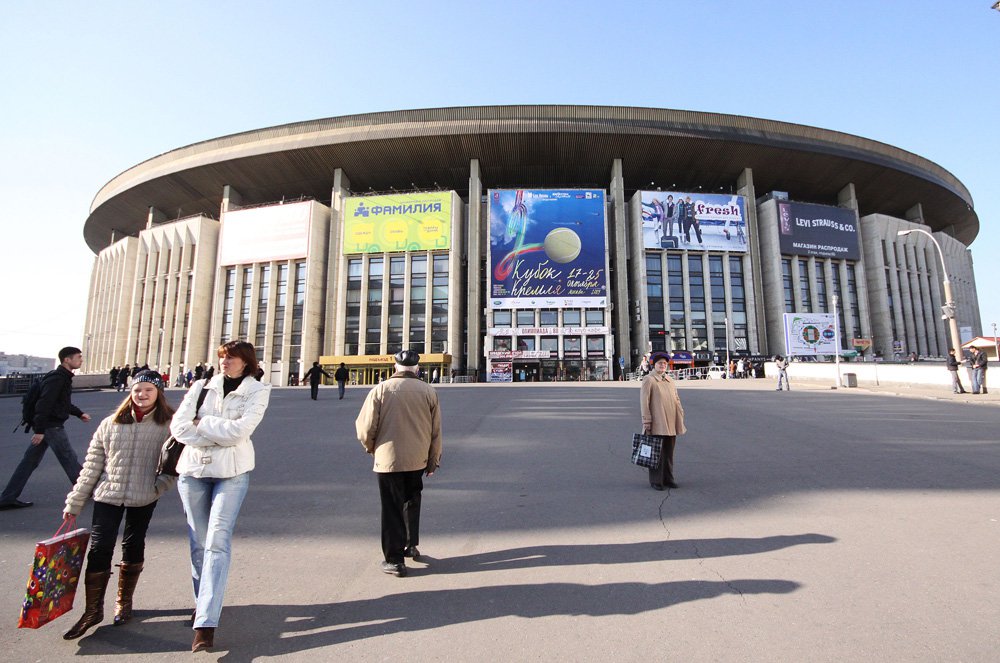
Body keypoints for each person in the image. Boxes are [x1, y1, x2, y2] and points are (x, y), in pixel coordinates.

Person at [170, 341, 271, 652]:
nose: (225, 362)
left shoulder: (258, 390)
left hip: (232, 473)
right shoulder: (201, 386)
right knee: (198, 542)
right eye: (223, 357)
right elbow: (178, 427)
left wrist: (203, 424)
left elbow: (240, 432)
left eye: (232, 358)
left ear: (246, 362)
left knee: (216, 541)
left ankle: (205, 623)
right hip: (192, 473)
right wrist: (215, 430)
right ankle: (204, 603)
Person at [61, 370, 176, 640]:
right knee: (99, 549)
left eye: (149, 389)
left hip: (143, 496)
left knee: (133, 545)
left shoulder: (169, 425)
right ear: (130, 392)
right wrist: (74, 503)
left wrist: (157, 488)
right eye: (137, 390)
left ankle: (124, 602)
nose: (142, 394)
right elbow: (91, 467)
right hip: (107, 495)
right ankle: (92, 610)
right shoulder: (110, 423)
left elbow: (174, 467)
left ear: (159, 393)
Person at [355, 349, 442, 578]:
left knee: (392, 508)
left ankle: (394, 560)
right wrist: (432, 462)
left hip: (388, 460)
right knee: (411, 502)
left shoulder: (380, 390)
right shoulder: (428, 391)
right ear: (417, 369)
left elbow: (365, 429)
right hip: (417, 459)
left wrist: (372, 447)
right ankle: (411, 544)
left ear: (395, 367)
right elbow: (436, 432)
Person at [0, 347, 92, 510]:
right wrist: (40, 430)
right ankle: (86, 491)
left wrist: (79, 413)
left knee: (29, 462)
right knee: (68, 458)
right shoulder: (58, 378)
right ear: (67, 360)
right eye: (78, 357)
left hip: (48, 426)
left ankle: (7, 497)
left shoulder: (62, 377)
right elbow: (44, 403)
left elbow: (61, 403)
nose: (81, 360)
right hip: (51, 426)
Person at [639, 351, 686, 491]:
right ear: (654, 365)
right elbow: (644, 401)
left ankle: (668, 478)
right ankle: (656, 481)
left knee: (669, 453)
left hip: (671, 421)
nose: (663, 366)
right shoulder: (649, 379)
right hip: (657, 422)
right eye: (660, 363)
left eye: (665, 364)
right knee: (656, 453)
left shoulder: (670, 380)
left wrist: (680, 413)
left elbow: (676, 398)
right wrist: (646, 420)